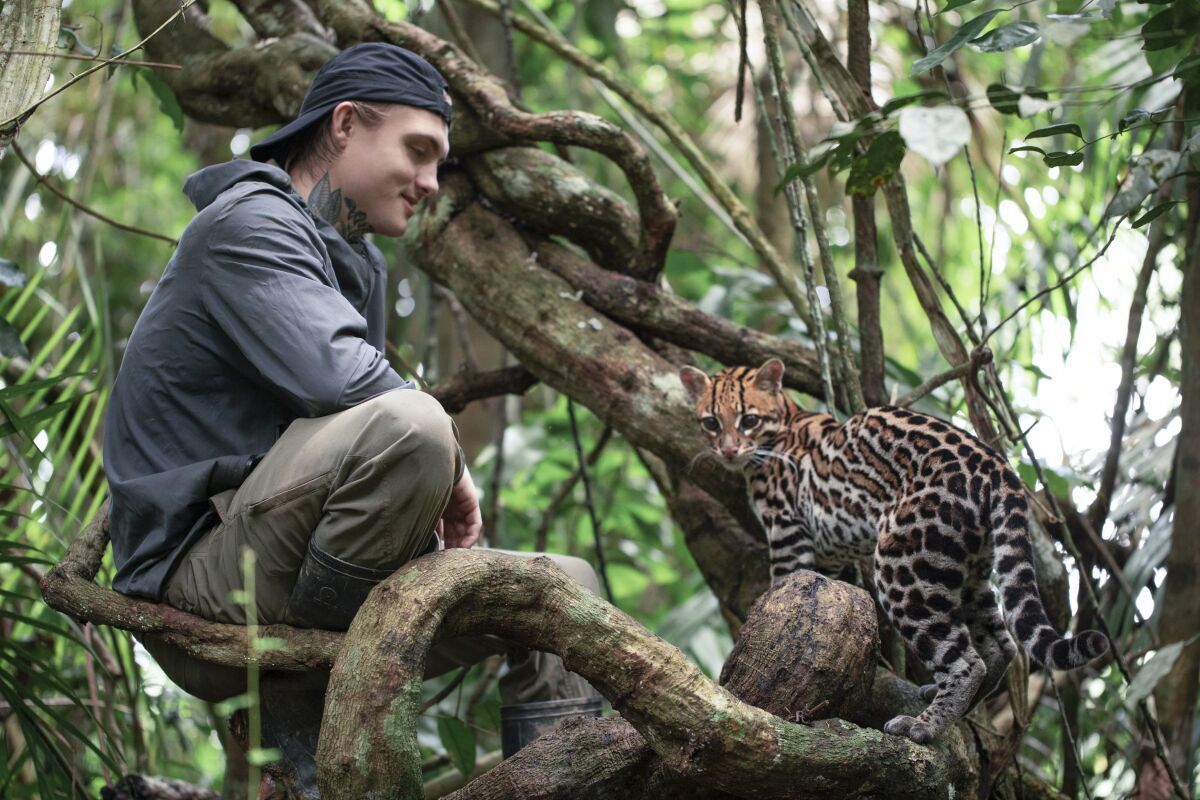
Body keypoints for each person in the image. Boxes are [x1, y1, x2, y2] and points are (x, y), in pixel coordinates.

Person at [103, 43, 598, 793]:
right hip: (200, 582)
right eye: (419, 151)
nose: (432, 182)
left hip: (292, 566)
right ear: (343, 124)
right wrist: (453, 474)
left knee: (565, 588)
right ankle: (315, 729)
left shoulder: (351, 263)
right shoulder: (250, 223)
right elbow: (356, 392)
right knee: (414, 426)